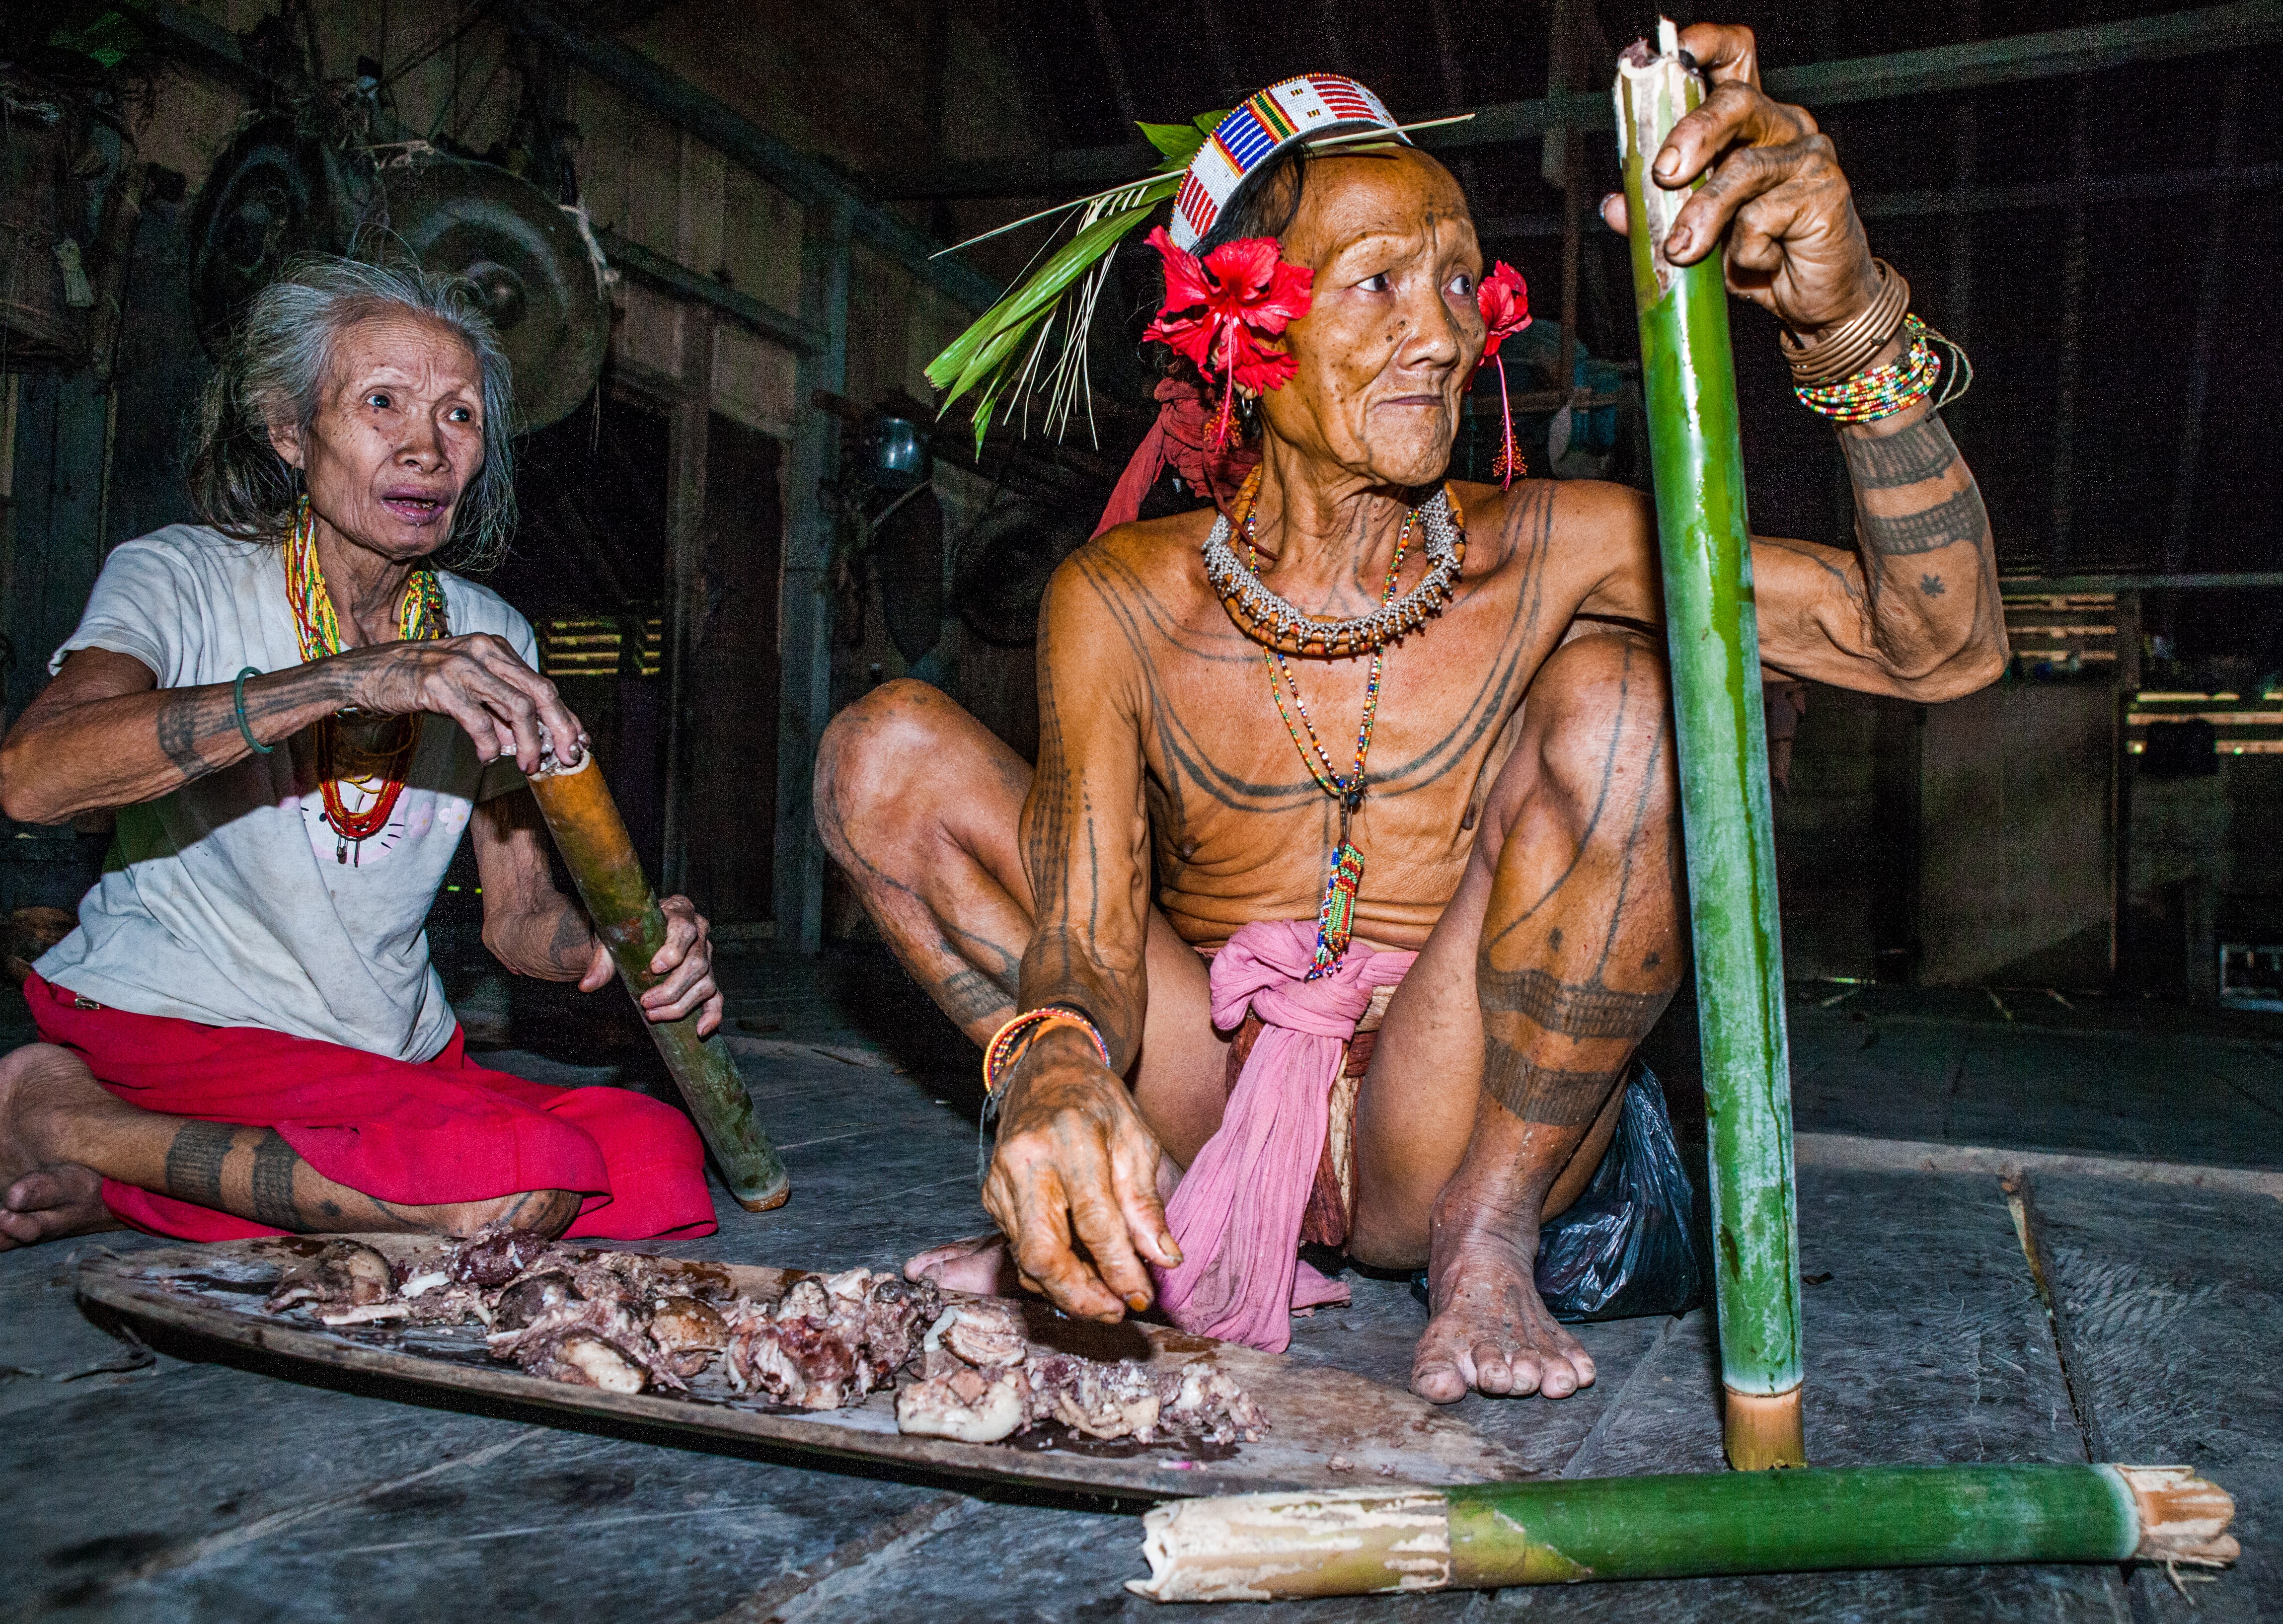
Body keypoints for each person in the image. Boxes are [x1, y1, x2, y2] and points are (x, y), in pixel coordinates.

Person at [820, 28, 2006, 1403]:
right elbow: (1086, 916)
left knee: (1636, 700)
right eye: (1376, 281)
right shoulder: (1120, 597)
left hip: (1451, 1114)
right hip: (1203, 1090)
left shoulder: (1558, 547)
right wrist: (1054, 1069)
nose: (1442, 331)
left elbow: (1938, 643)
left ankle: (1485, 1241)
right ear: (1240, 332)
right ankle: (1111, 1188)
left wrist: (1846, 316)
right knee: (882, 753)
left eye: (1457, 279)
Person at [0, 256, 718, 1249]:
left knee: (654, 1161)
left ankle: (122, 1168)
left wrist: (615, 948)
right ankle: (55, 1110)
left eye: (459, 417)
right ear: (292, 432)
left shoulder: (489, 632)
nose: (425, 447)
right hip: (178, 1021)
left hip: (382, 1050)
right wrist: (344, 682)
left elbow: (517, 920)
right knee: (504, 1191)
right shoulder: (181, 575)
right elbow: (35, 777)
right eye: (382, 403)